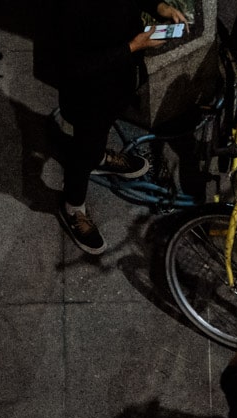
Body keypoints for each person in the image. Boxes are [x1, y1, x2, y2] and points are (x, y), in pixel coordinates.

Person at [51, 0, 189, 253]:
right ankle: (73, 206)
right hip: (87, 94)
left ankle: (99, 158)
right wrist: (134, 45)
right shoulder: (71, 9)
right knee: (84, 147)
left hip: (117, 79)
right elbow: (73, 66)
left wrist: (160, 7)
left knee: (100, 132)